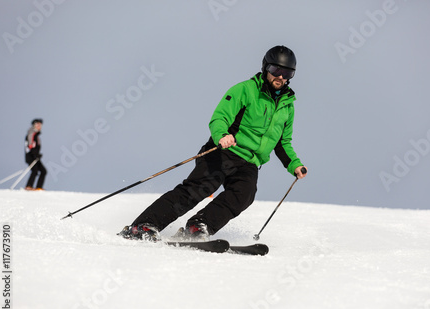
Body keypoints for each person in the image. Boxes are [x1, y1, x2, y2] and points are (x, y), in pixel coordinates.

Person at [118, 45, 308, 241]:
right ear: (266, 68)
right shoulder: (245, 90)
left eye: (287, 73)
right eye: (276, 70)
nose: (281, 77)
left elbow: (282, 142)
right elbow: (220, 118)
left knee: (244, 195)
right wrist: (222, 136)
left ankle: (198, 226)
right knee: (197, 189)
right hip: (224, 151)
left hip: (250, 161)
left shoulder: (287, 105)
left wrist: (295, 165)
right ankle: (142, 225)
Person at [25, 118, 47, 191]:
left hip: (35, 157)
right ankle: (29, 186)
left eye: (40, 125)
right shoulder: (31, 134)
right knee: (35, 170)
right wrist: (34, 154)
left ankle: (38, 187)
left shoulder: (36, 136)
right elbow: (30, 146)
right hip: (31, 157)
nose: (39, 126)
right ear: (34, 125)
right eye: (37, 124)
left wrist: (37, 154)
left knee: (43, 171)